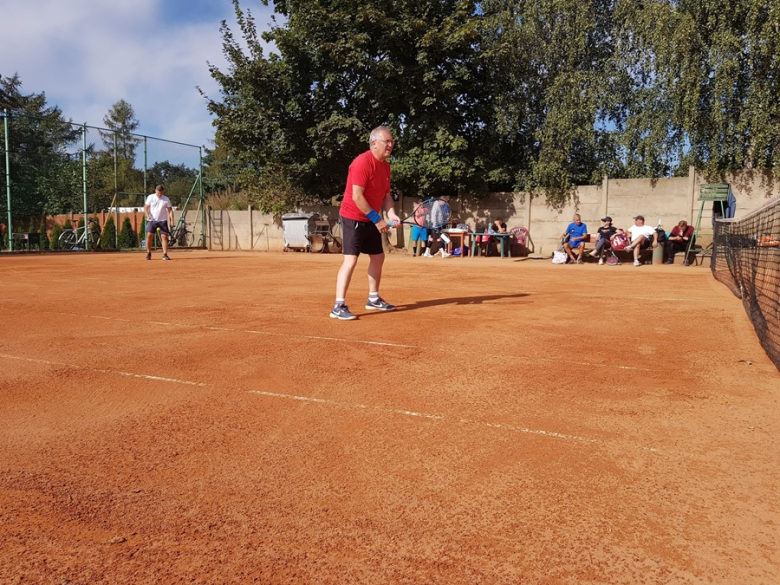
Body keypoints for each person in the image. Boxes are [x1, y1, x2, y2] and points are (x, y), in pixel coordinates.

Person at [330, 126, 401, 320]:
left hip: (370, 217)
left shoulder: (385, 166)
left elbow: (386, 195)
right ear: (374, 143)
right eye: (386, 141)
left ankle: (373, 298)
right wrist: (378, 220)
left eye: (392, 141)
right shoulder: (362, 163)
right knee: (351, 259)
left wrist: (392, 214)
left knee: (378, 257)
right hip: (353, 216)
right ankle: (338, 305)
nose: (390, 145)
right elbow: (357, 196)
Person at [144, 185, 174, 260]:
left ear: (163, 191)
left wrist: (172, 220)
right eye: (158, 192)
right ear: (155, 191)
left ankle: (165, 254)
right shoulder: (150, 197)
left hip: (162, 220)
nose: (160, 194)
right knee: (149, 235)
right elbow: (146, 207)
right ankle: (148, 253)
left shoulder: (166, 199)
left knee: (164, 237)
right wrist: (147, 216)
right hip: (152, 220)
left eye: (161, 192)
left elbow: (170, 210)